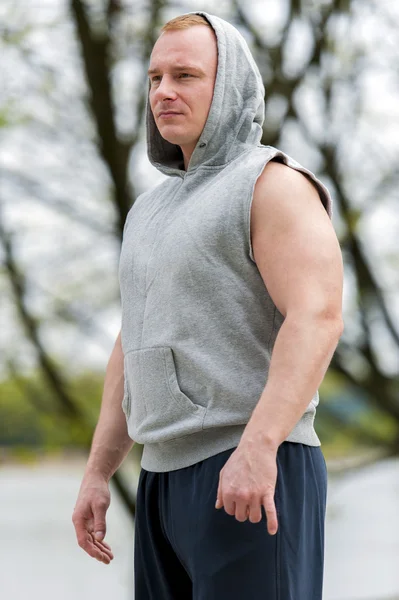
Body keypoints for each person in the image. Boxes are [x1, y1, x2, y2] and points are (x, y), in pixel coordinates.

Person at [72, 10, 344, 600]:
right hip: (162, 479)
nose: (164, 92)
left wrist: (260, 445)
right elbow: (133, 340)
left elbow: (317, 315)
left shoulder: (272, 184)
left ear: (229, 88)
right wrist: (98, 472)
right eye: (154, 78)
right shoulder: (148, 211)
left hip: (250, 468)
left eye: (185, 76)